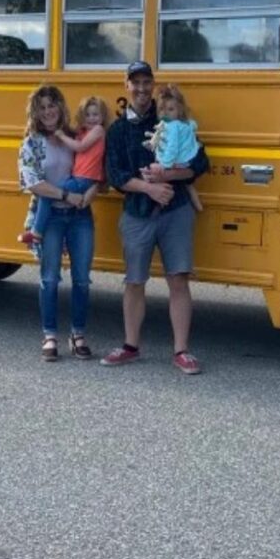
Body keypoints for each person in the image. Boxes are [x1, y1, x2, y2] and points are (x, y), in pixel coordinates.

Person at [101, 61, 209, 375]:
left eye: (147, 82)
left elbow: (200, 163)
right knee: (135, 281)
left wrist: (172, 175)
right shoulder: (118, 130)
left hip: (175, 211)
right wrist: (150, 189)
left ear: (153, 85)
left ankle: (181, 350)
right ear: (126, 85)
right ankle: (131, 346)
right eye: (135, 82)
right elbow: (116, 175)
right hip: (138, 212)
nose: (142, 89)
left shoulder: (171, 117)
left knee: (178, 278)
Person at [17, 85, 96, 362]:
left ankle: (78, 334)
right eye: (42, 107)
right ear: (35, 112)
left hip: (79, 216)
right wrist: (65, 195)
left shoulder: (75, 138)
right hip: (49, 217)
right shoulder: (32, 143)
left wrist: (89, 194)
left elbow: (95, 170)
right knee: (50, 278)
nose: (48, 111)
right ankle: (50, 335)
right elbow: (32, 182)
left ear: (61, 108)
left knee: (82, 279)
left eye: (53, 105)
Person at [18, 96, 108, 246]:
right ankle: (38, 232)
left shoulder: (98, 130)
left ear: (102, 116)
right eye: (87, 114)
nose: (91, 118)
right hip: (78, 178)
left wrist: (61, 136)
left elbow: (80, 147)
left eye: (95, 114)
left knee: (48, 195)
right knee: (49, 195)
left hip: (83, 180)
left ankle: (37, 232)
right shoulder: (84, 133)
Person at [144, 84, 203, 212]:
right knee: (188, 184)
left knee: (156, 174)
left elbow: (172, 147)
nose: (165, 113)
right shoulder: (184, 123)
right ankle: (196, 202)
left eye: (170, 110)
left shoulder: (173, 126)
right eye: (161, 110)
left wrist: (164, 165)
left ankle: (163, 201)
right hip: (186, 160)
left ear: (180, 110)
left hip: (176, 161)